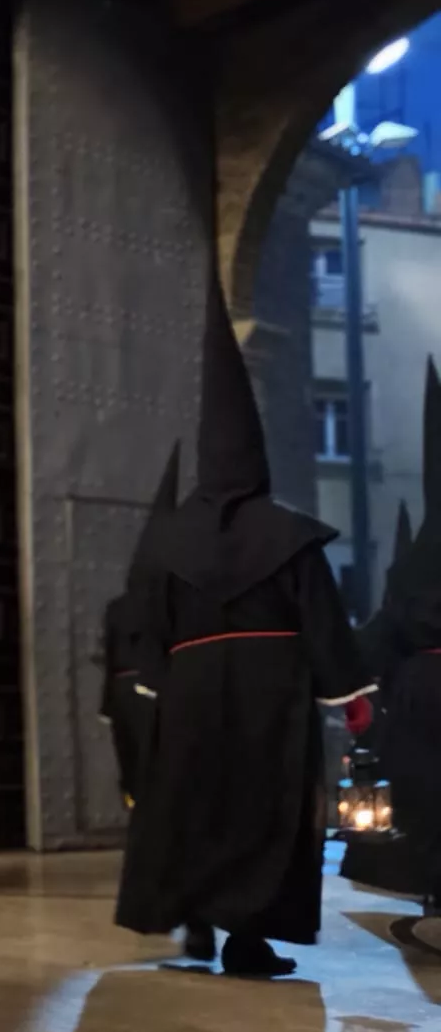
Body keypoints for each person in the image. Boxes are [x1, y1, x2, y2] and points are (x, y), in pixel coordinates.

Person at [117, 274, 373, 977]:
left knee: (197, 802)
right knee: (265, 809)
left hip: (195, 692)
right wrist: (347, 691)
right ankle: (248, 939)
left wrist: (158, 686)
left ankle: (197, 916)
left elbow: (150, 623)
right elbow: (319, 614)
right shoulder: (287, 536)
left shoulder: (171, 543)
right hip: (270, 691)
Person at [350, 363, 441, 909]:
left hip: (417, 691)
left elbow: (380, 636)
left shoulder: (413, 565)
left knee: (425, 796)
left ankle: (434, 889)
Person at [101, 447, 179, 808]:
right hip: (155, 692)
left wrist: (107, 703)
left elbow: (109, 657)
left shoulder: (117, 607)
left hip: (121, 694)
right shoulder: (172, 601)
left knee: (134, 765)